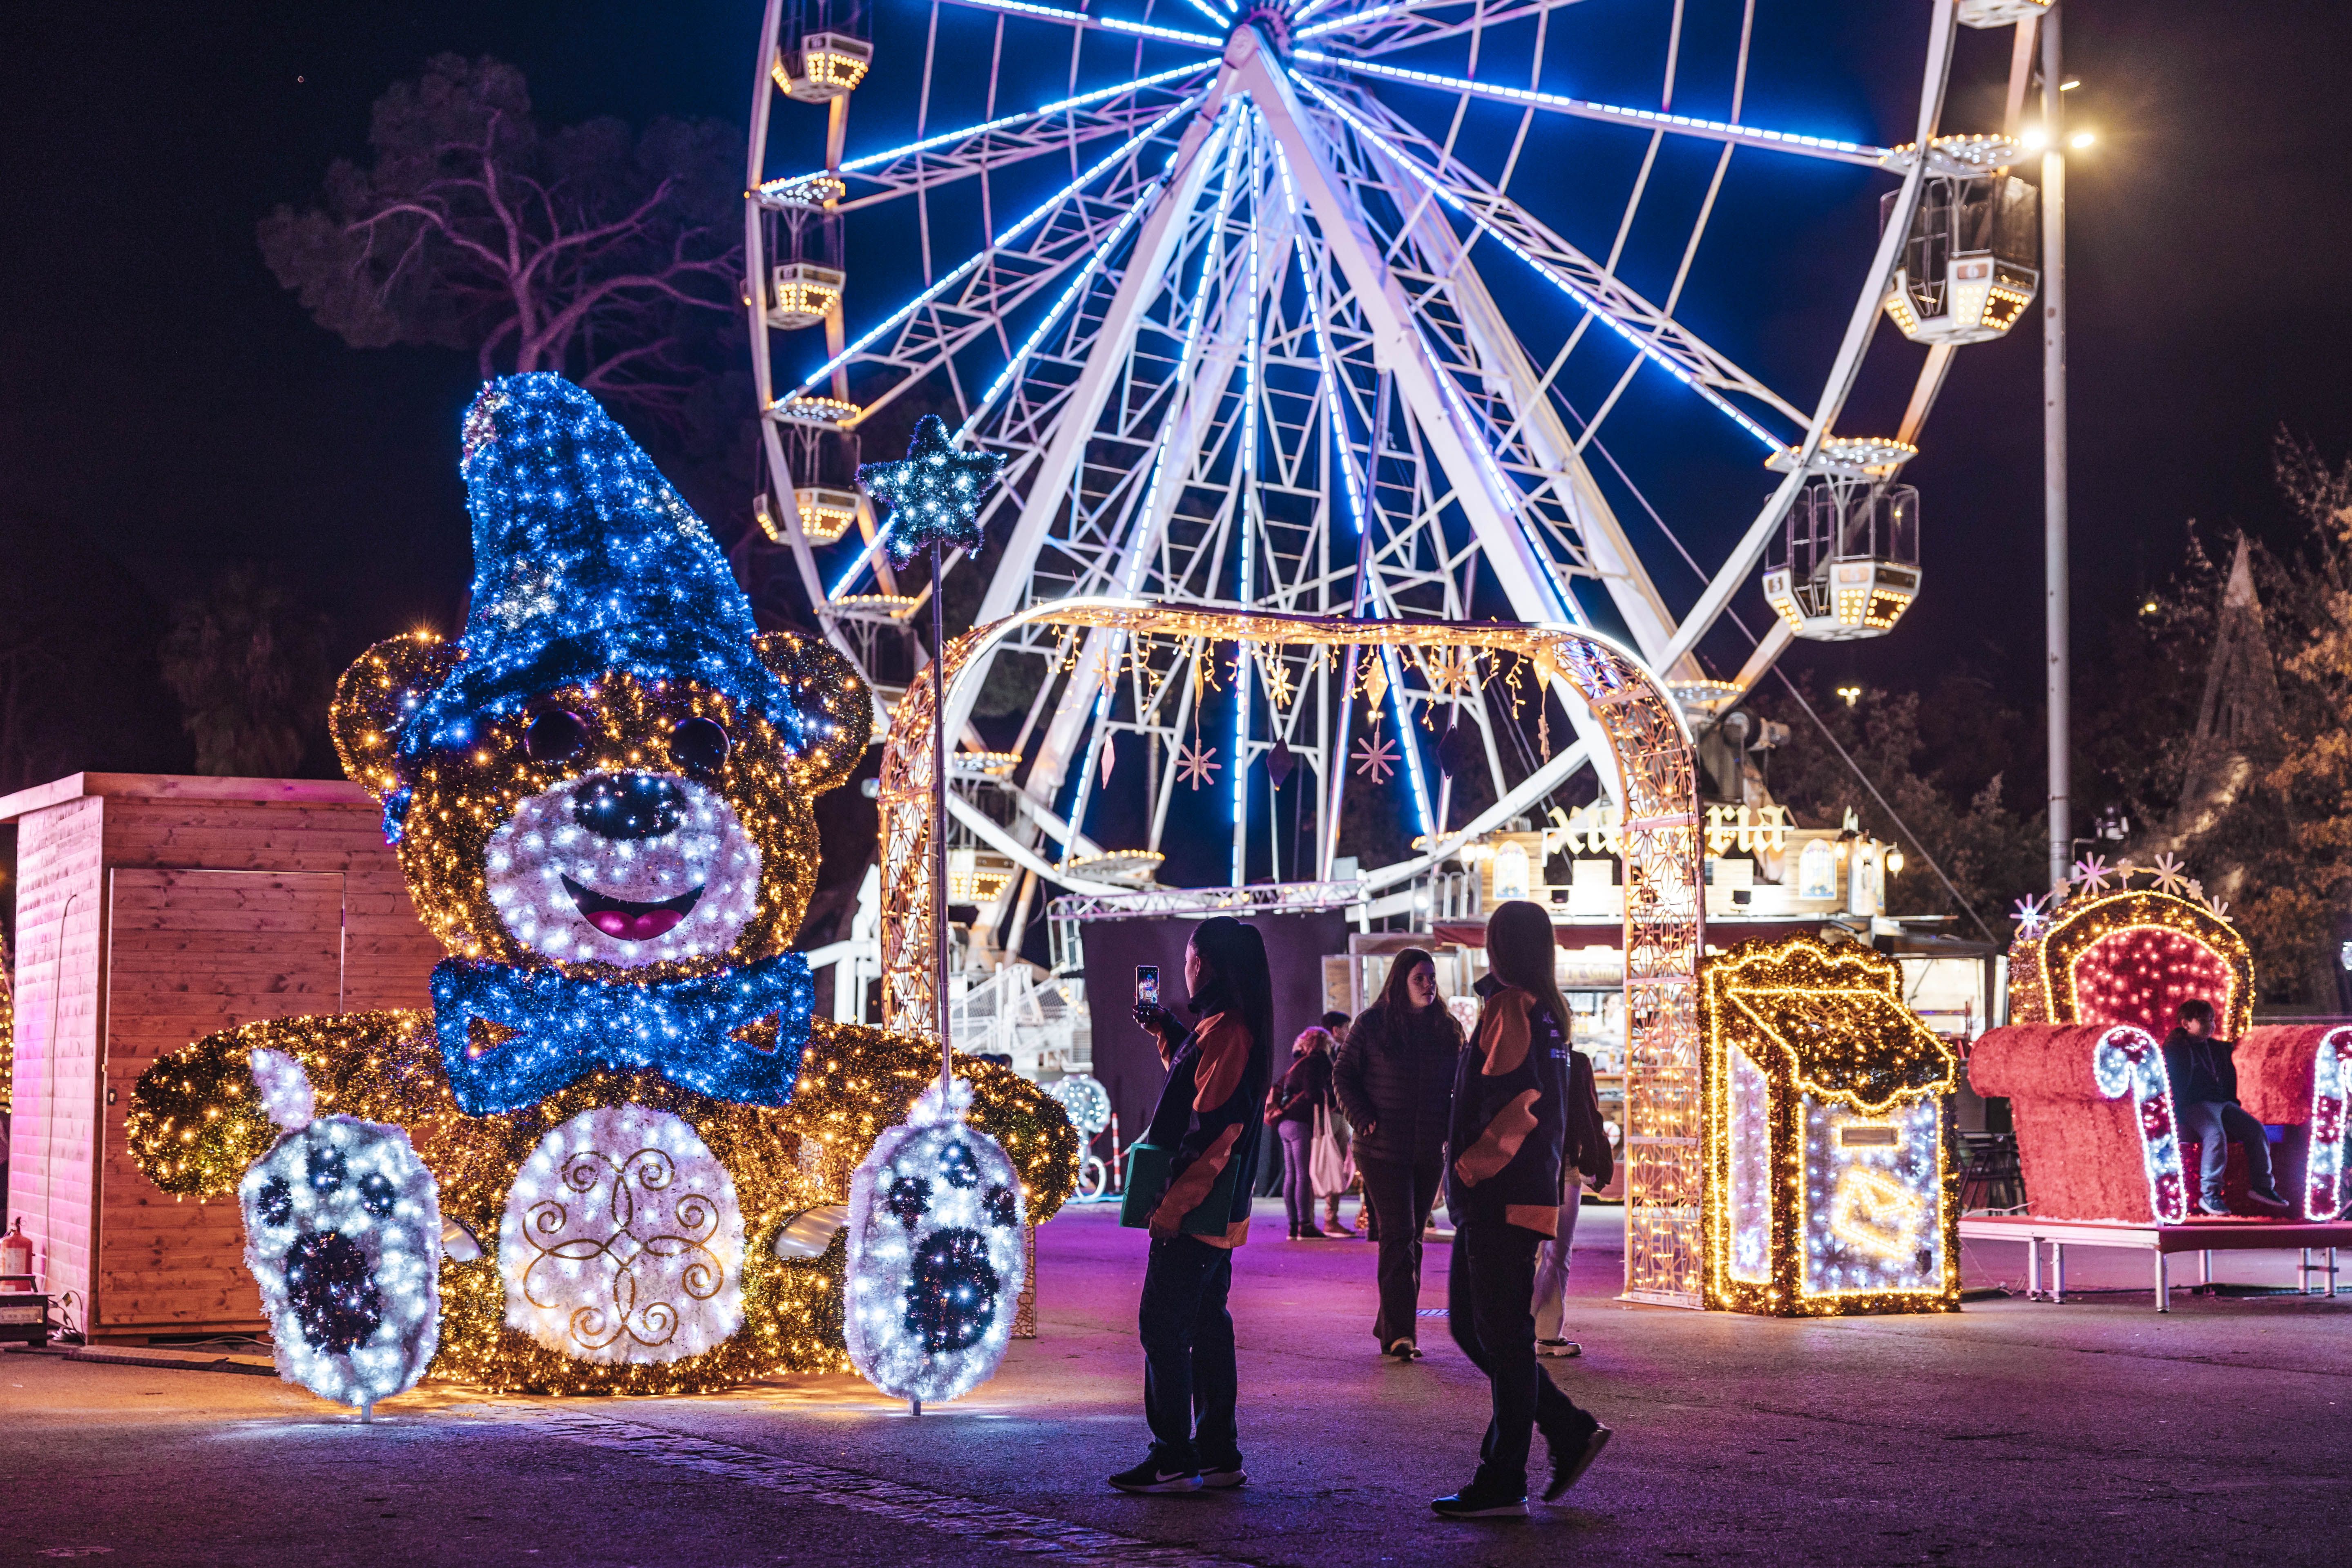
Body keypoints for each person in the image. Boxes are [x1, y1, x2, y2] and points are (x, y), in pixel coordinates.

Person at [1434, 900, 1610, 1519]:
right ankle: (1562, 1429)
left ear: (1501, 946)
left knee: (1497, 1334)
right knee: (1485, 1328)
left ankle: (1507, 1474)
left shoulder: (1510, 1006)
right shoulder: (1549, 1013)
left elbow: (1515, 1101)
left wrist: (1466, 1168)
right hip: (1525, 1191)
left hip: (1499, 1195)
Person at [1113, 916, 1275, 1495]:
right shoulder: (1221, 1027)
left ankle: (1174, 1455)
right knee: (1206, 1325)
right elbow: (1201, 1084)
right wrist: (1165, 1029)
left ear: (1203, 962)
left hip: (1200, 1208)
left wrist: (1172, 1206)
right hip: (1216, 1210)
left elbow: (1212, 1130)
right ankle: (1217, 1452)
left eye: (1188, 957)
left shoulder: (1228, 1030)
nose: (1184, 967)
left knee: (1162, 1324)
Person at [1333, 947, 1463, 1360]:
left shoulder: (1447, 1028)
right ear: (1401, 982)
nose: (1429, 985)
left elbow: (1460, 1085)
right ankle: (1400, 1335)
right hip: (1381, 1146)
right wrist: (1361, 1115)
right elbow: (1343, 1073)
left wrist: (1453, 1129)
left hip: (1427, 1146)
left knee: (1413, 1238)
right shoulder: (1372, 1025)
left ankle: (1392, 1320)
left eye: (1431, 977)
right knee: (1399, 1233)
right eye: (1419, 978)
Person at [2162, 997, 2290, 1217]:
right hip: (2194, 1104)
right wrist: (2176, 1111)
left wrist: (2233, 1103)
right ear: (2186, 1024)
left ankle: (2262, 1187)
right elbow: (2173, 1082)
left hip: (2221, 1103)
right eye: (2204, 1021)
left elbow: (2229, 1078)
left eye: (2212, 1020)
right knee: (2215, 1135)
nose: (2211, 1025)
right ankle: (2210, 1193)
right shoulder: (2175, 1049)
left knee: (2255, 1130)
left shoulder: (2217, 1048)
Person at [1531, 1031, 1613, 1358]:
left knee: (1558, 1249)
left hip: (1566, 1162)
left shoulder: (1577, 1062)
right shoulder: (1528, 1060)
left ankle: (1548, 1332)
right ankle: (1525, 1328)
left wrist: (1593, 1159)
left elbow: (1590, 1114)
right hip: (1536, 1163)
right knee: (1538, 1248)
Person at [1268, 1027, 1338, 1240]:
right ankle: (1305, 1225)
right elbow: (1313, 1093)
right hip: (1300, 1123)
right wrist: (1330, 1099)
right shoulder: (1317, 1062)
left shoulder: (1296, 1063)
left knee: (1292, 1174)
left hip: (1284, 1123)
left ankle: (1293, 1226)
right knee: (1303, 1175)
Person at [1320, 1011, 1364, 1237]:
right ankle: (1330, 1219)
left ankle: (1303, 1223)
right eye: (1347, 1028)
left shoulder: (1311, 1049)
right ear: (1336, 1031)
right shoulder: (1332, 1054)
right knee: (1334, 1164)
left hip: (1322, 1116)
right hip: (1332, 1116)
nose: (1349, 1033)